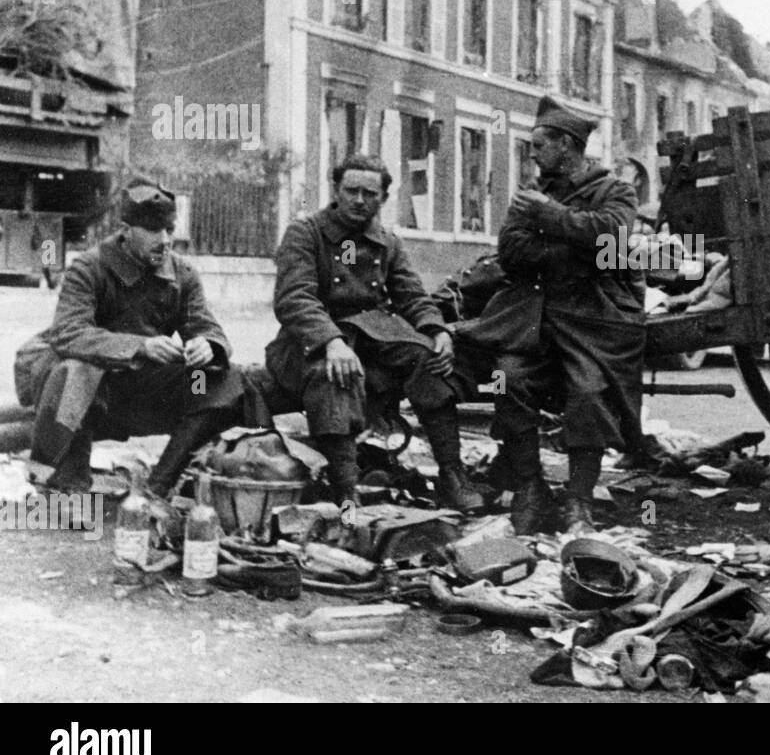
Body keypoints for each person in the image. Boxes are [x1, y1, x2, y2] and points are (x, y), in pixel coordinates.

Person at [461, 95, 644, 535]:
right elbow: (512, 251)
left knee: (588, 391)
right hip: (533, 317)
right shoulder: (531, 195)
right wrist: (575, 244)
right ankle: (530, 487)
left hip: (593, 319)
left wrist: (552, 219)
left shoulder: (614, 190)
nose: (533, 153)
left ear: (566, 144)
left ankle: (579, 501)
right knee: (509, 377)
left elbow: (612, 239)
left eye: (540, 144)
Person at [265, 154, 482, 512]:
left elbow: (412, 296)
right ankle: (347, 493)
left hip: (370, 339)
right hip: (307, 342)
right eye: (351, 191)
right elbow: (294, 299)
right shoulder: (305, 233)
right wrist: (331, 341)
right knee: (335, 376)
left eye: (370, 193)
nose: (359, 200)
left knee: (430, 360)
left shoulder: (388, 243)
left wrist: (437, 330)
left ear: (382, 198)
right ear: (336, 190)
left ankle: (452, 474)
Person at [15, 179, 244, 499]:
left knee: (214, 380)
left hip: (141, 389)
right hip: (85, 389)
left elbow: (205, 325)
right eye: (152, 231)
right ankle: (68, 485)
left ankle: (161, 482)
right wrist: (140, 346)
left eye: (169, 229)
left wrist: (207, 345)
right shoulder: (90, 267)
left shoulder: (183, 274)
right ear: (126, 230)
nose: (164, 240)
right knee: (76, 370)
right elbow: (68, 332)